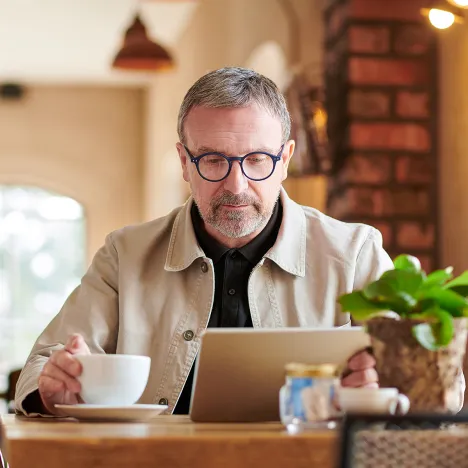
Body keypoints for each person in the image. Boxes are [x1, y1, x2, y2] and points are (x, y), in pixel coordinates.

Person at [14, 67, 463, 416]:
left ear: (285, 159)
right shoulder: (123, 255)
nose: (236, 184)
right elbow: (38, 370)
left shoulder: (356, 253)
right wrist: (54, 389)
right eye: (212, 159)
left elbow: (441, 391)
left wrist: (390, 386)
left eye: (256, 160)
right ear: (184, 162)